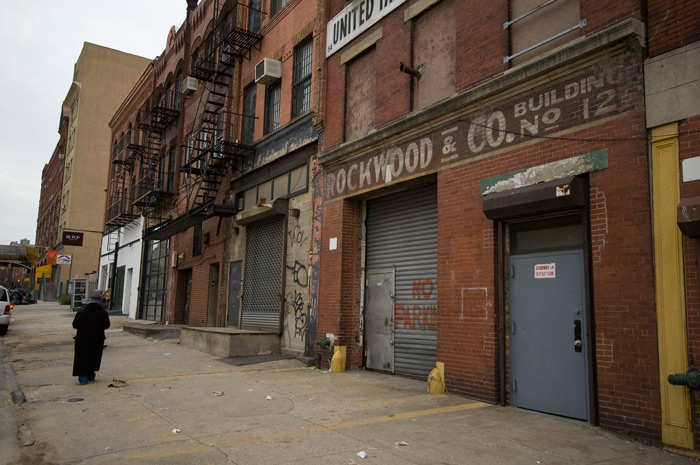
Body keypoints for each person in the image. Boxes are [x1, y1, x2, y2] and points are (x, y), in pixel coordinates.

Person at [72, 289, 111, 385]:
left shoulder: (80, 313)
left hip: (82, 338)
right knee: (94, 356)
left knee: (82, 357)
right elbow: (106, 325)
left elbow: (75, 325)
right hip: (97, 338)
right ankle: (90, 373)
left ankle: (82, 376)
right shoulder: (103, 314)